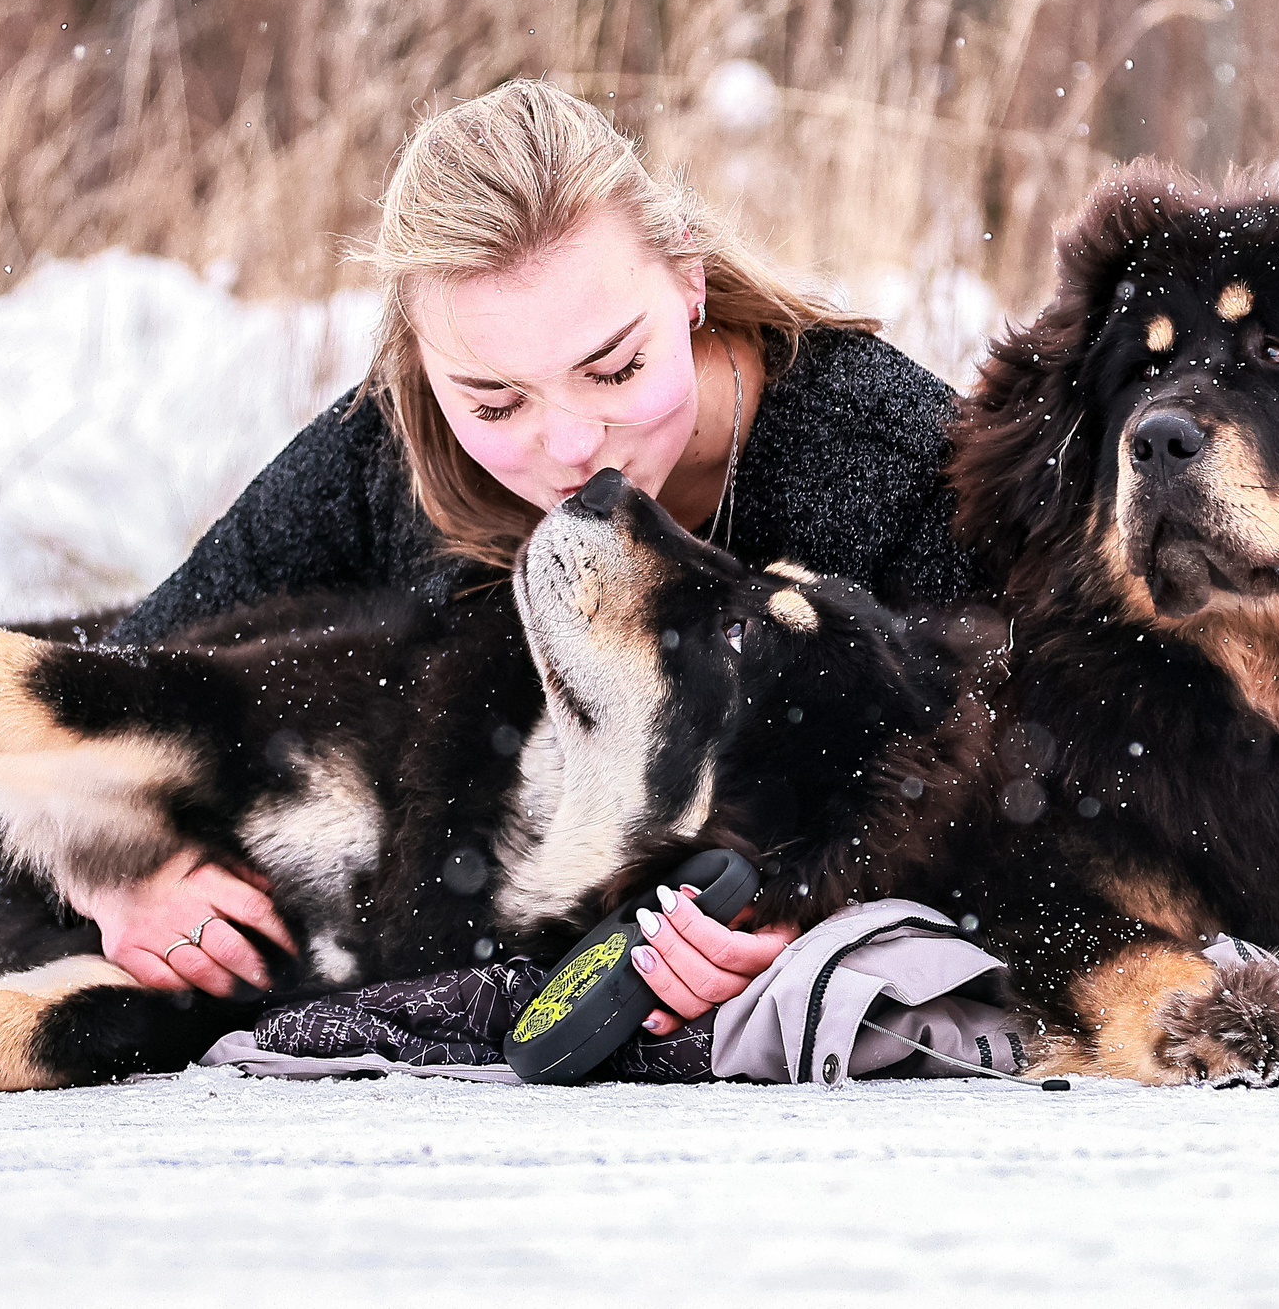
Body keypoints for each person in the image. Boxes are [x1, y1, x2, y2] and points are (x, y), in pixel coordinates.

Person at [67, 79, 974, 1036]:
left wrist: (834, 932)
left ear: (690, 281)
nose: (573, 445)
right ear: (419, 365)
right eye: (497, 404)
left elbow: (1067, 799)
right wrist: (121, 873)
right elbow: (116, 684)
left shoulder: (902, 462)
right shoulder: (379, 454)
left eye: (616, 368)